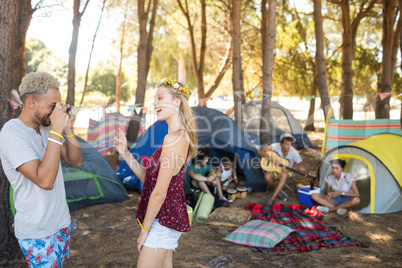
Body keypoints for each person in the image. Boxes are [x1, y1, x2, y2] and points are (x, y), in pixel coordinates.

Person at [0, 72, 82, 267]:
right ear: (31, 102)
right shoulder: (12, 133)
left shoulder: (46, 128)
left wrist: (68, 129)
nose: (56, 112)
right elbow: (44, 181)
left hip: (61, 222)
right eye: (52, 106)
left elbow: (75, 160)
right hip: (38, 231)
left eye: (58, 106)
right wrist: (56, 130)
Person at [114, 78, 197, 268]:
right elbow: (149, 179)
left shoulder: (174, 138)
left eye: (160, 98)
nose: (155, 104)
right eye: (154, 99)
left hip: (163, 220)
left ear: (177, 102)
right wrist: (125, 153)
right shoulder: (176, 136)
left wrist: (145, 230)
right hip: (166, 218)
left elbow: (159, 193)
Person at [257, 133, 303, 205]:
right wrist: (272, 159)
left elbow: (300, 163)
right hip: (276, 169)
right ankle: (277, 192)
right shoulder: (275, 146)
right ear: (281, 143)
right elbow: (260, 151)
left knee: (283, 175)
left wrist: (291, 169)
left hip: (288, 171)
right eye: (287, 144)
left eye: (290, 144)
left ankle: (272, 198)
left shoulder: (293, 152)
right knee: (267, 176)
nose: (289, 146)